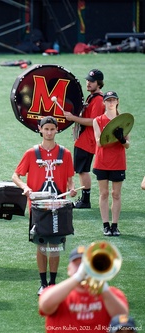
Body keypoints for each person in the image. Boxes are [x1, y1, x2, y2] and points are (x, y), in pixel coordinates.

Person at [12, 116, 77, 295]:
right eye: (46, 129)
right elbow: (16, 176)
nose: (49, 132)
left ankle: (53, 282)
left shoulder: (65, 154)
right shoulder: (32, 153)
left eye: (52, 129)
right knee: (41, 245)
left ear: (57, 130)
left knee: (55, 245)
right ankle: (42, 283)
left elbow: (70, 179)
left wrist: (72, 189)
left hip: (59, 207)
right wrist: (25, 187)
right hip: (38, 207)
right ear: (40, 129)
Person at [38, 245, 129, 333]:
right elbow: (45, 306)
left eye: (87, 264)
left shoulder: (111, 293)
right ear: (69, 269)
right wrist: (78, 277)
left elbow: (122, 318)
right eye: (77, 264)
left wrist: (103, 287)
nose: (83, 268)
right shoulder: (54, 291)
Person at [63, 69, 105, 209]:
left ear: (99, 83)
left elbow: (94, 121)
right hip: (84, 138)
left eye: (91, 81)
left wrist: (73, 118)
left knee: (82, 170)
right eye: (87, 80)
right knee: (81, 169)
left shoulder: (98, 100)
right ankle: (85, 199)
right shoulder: (92, 97)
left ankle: (85, 201)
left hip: (88, 140)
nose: (88, 83)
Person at [93, 91, 130, 237]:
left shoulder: (124, 121)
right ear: (104, 102)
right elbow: (98, 142)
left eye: (113, 100)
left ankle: (115, 225)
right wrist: (111, 135)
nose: (110, 103)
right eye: (108, 100)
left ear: (117, 102)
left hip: (118, 162)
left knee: (116, 194)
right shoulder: (98, 120)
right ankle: (105, 225)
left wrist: (122, 139)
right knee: (104, 193)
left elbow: (127, 145)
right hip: (102, 161)